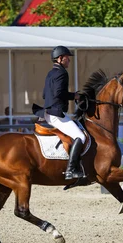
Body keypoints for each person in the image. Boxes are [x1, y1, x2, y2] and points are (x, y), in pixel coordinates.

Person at [32, 46, 86, 180]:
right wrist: (75, 96)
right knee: (81, 136)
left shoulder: (51, 73)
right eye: (67, 58)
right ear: (60, 59)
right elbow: (59, 93)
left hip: (48, 113)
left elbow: (45, 94)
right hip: (56, 114)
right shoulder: (62, 73)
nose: (69, 61)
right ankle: (71, 169)